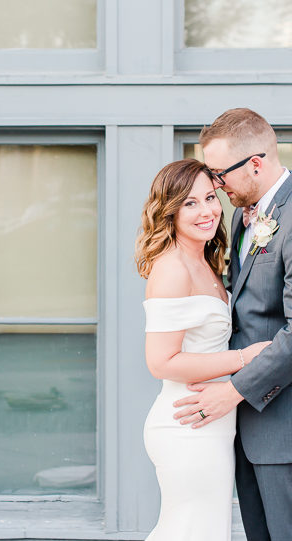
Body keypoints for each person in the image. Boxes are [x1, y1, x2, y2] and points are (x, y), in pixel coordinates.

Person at [134, 158, 269, 541]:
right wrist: (247, 357)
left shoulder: (206, 261)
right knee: (189, 530)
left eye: (210, 197)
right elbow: (161, 361)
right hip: (186, 422)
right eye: (190, 203)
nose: (207, 210)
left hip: (212, 420)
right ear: (169, 210)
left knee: (204, 529)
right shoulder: (172, 267)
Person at [173, 108, 292, 541]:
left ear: (256, 164)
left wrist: (233, 390)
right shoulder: (247, 219)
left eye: (220, 175)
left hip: (283, 428)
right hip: (245, 428)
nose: (217, 186)